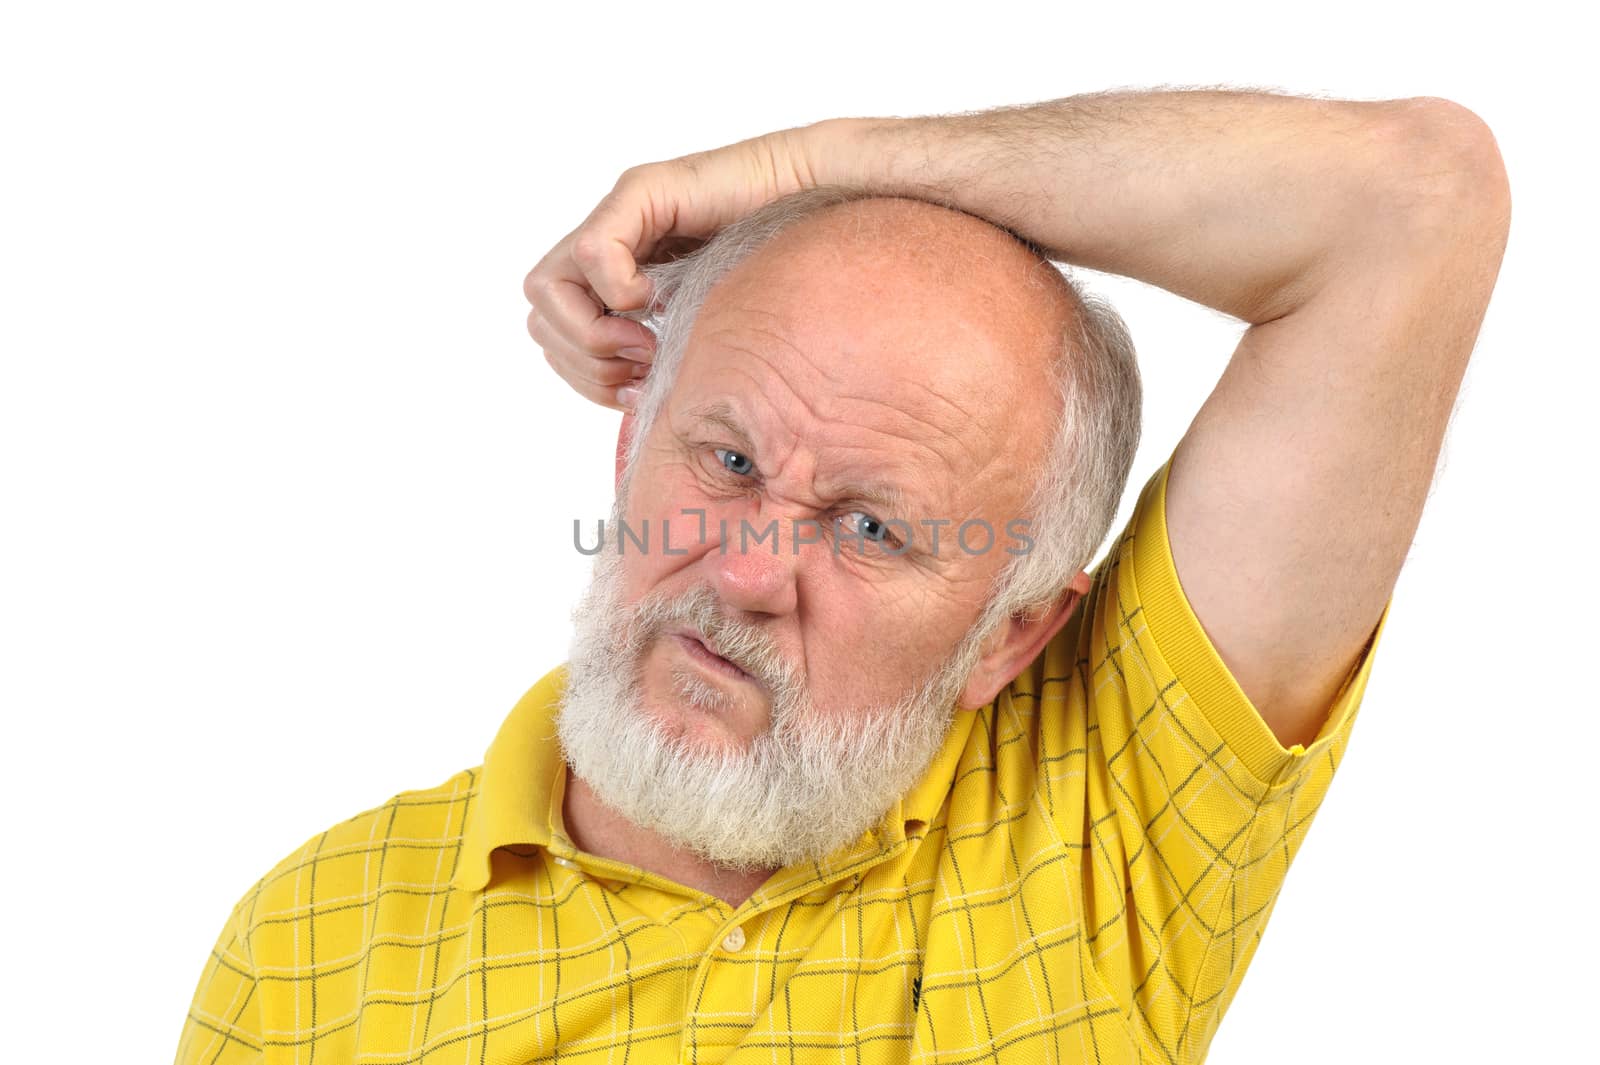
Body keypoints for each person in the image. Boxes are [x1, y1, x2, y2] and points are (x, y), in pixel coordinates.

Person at [173, 88, 1509, 1065]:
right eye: (729, 455)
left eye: (872, 530)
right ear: (634, 438)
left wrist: (826, 162)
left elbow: (1412, 201)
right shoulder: (310, 945)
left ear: (1011, 634)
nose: (750, 570)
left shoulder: (1106, 815)